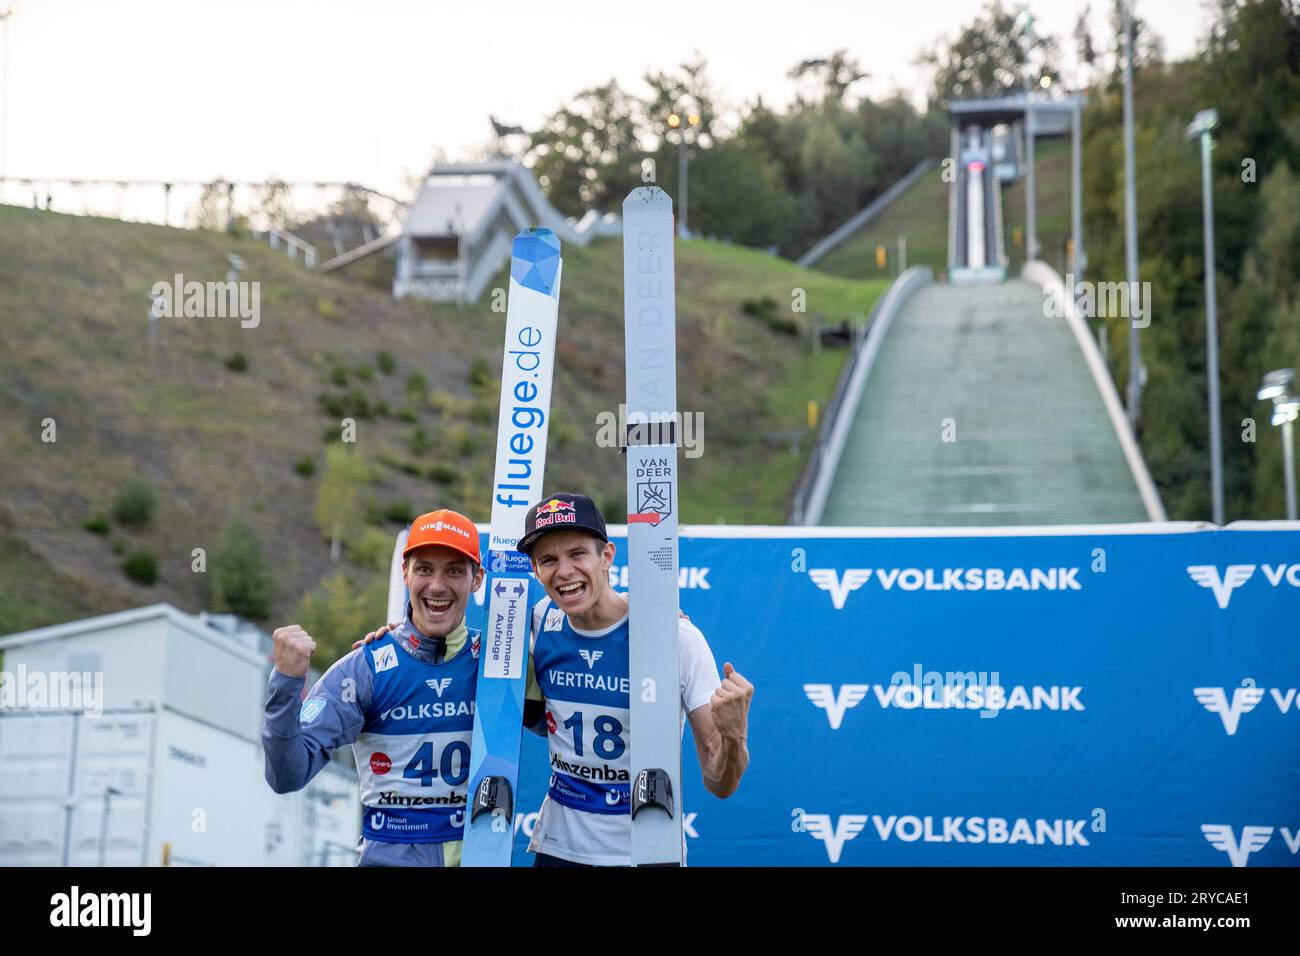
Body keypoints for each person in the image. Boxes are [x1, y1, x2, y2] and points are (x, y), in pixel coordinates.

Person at [517, 493, 753, 866]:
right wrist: (402, 628)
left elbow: (719, 783)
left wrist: (734, 735)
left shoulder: (677, 638)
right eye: (548, 560)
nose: (563, 572)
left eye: (577, 554)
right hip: (559, 849)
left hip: (645, 852)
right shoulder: (537, 621)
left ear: (607, 556)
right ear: (535, 569)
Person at [262, 508, 484, 867]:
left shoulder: (499, 667)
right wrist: (286, 683)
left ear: (476, 580)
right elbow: (287, 774)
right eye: (424, 568)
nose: (438, 585)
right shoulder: (364, 668)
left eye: (454, 570)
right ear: (405, 574)